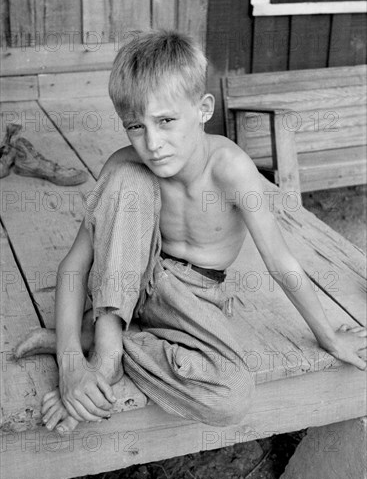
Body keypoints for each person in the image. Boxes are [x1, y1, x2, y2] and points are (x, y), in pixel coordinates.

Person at [17, 30, 367, 435]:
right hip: (128, 278)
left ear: (202, 109)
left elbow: (280, 261)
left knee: (231, 396)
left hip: (194, 298)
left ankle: (102, 337)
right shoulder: (126, 166)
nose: (152, 143)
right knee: (127, 176)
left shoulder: (230, 168)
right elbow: (75, 265)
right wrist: (70, 364)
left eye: (166, 121)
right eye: (135, 127)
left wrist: (328, 336)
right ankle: (104, 357)